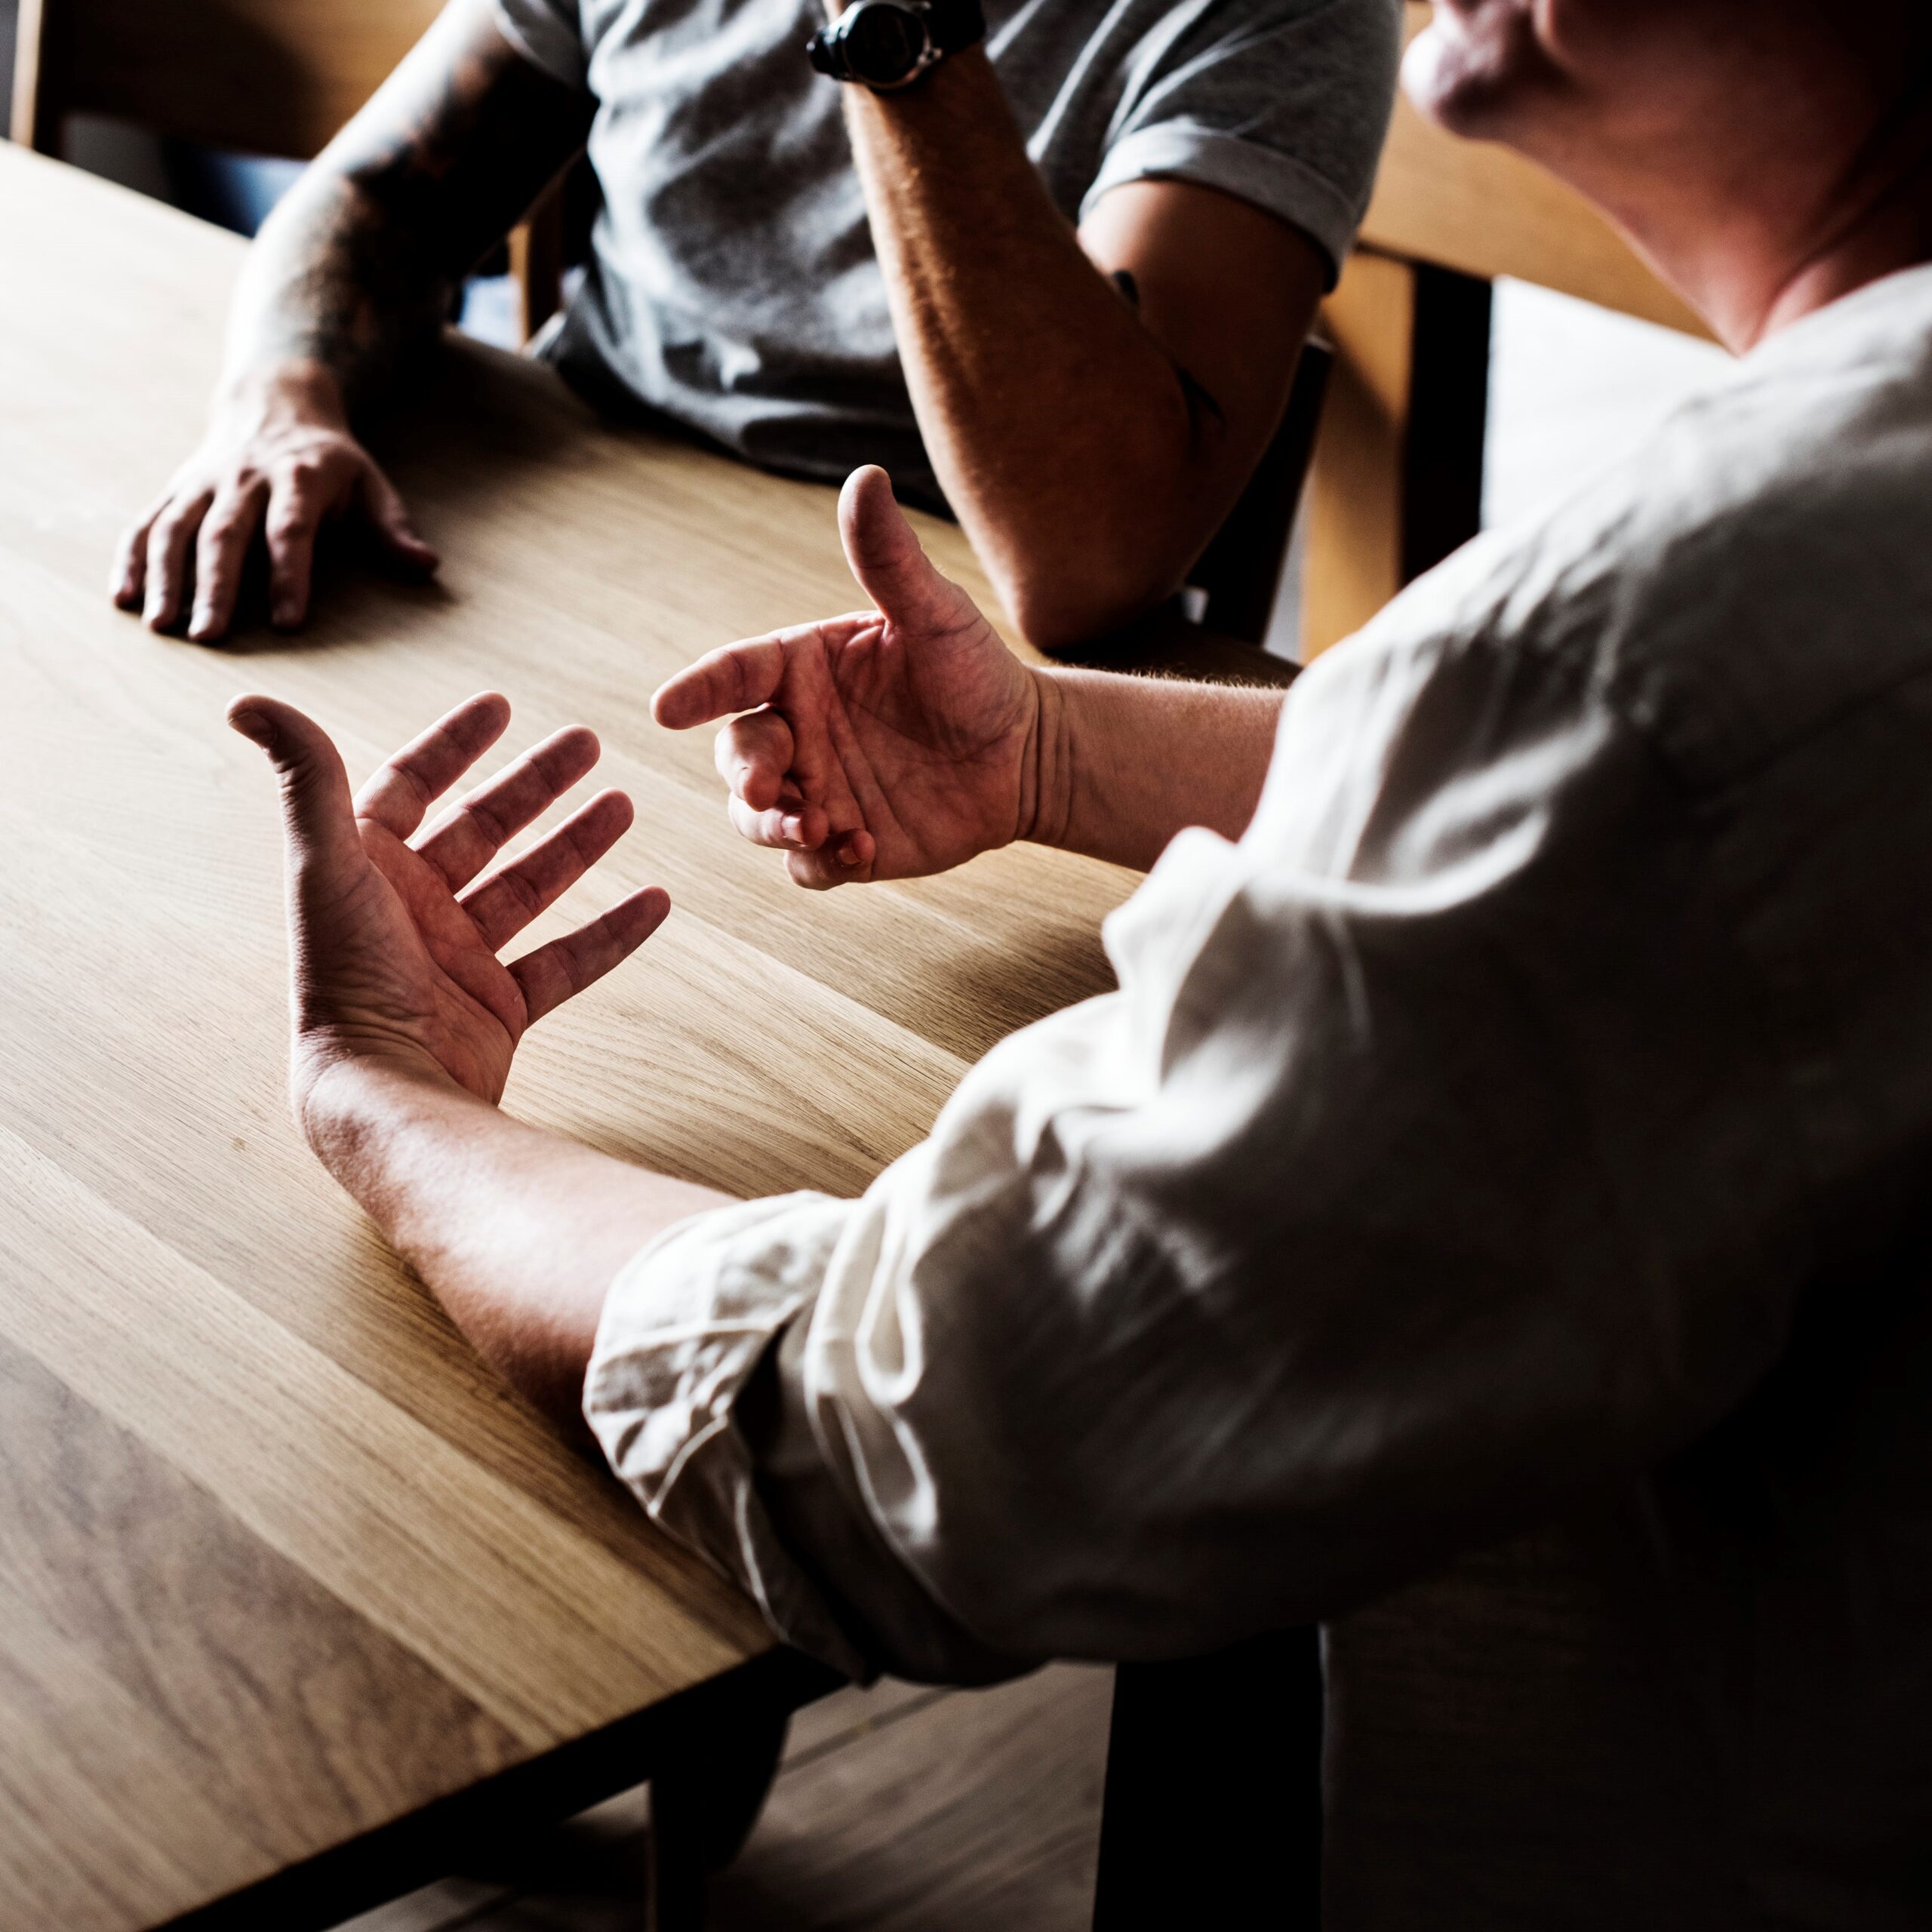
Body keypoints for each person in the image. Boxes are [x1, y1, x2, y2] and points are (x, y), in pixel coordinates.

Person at [230, 0, 1932, 1920]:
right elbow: (1603, 802)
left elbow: (904, 1433)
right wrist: (1047, 751)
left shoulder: (1654, 653)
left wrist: (386, 1092)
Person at [110, 0, 1400, 651]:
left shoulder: (1286, 17)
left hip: (950, 666)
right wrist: (280, 396)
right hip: (545, 564)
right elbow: (385, 196)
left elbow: (1087, 558)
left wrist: (892, 27)